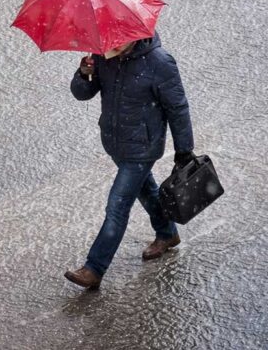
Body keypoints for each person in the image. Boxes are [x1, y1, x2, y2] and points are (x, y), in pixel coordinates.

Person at [64, 30, 196, 289]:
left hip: (143, 147)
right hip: (115, 142)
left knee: (118, 204)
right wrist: (84, 73)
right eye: (109, 39)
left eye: (119, 40)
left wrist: (184, 150)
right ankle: (167, 233)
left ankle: (94, 268)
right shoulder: (103, 55)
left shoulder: (160, 62)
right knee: (147, 191)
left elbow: (178, 107)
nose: (112, 45)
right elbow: (82, 93)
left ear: (135, 34)